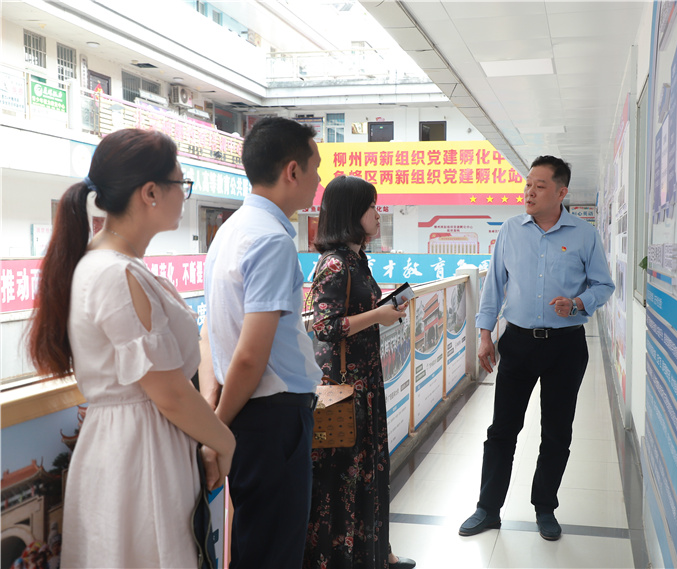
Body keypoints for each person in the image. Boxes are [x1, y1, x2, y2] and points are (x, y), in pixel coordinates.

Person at [26, 128, 235, 568]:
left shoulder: (114, 267)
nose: (184, 195)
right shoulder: (114, 274)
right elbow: (169, 392)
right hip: (140, 456)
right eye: (181, 184)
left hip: (141, 446)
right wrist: (224, 440)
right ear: (151, 193)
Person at [459, 155, 615, 541]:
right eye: (527, 184)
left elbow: (603, 285)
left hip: (566, 346)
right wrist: (484, 334)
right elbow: (494, 286)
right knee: (502, 429)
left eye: (539, 186)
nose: (529, 192)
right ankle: (487, 508)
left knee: (557, 431)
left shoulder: (584, 235)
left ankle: (545, 508)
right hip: (517, 343)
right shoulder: (511, 230)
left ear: (561, 193)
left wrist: (577, 303)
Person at [200, 117, 323, 569]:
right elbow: (251, 355)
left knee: (254, 542)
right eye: (315, 168)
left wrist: (215, 414)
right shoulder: (271, 241)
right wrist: (216, 429)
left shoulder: (230, 231)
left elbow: (211, 331)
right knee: (273, 552)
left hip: (248, 415)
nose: (319, 180)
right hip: (274, 421)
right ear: (292, 171)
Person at [304, 175, 415, 569]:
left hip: (365, 381)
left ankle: (375, 554)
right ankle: (345, 558)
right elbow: (325, 326)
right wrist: (378, 315)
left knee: (368, 469)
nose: (378, 213)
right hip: (345, 387)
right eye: (371, 206)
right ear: (352, 212)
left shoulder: (356, 259)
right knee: (345, 476)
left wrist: (382, 313)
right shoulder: (335, 263)